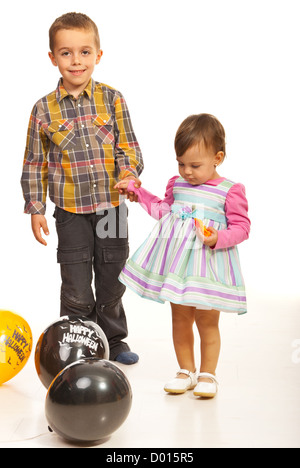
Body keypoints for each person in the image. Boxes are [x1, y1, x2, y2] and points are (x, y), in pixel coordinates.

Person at [21, 12, 144, 365]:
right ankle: (82, 342)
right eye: (66, 53)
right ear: (52, 58)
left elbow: (129, 148)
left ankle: (114, 339)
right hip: (70, 211)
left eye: (85, 52)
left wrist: (128, 175)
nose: (76, 61)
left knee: (112, 273)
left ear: (99, 55)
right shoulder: (43, 109)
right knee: (75, 279)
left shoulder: (113, 99)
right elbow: (34, 162)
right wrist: (36, 208)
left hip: (112, 207)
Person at [115, 114, 250, 396]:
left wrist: (218, 238)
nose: (187, 171)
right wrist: (138, 193)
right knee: (180, 318)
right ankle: (185, 371)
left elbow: (242, 227)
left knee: (207, 321)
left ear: (218, 157)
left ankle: (208, 375)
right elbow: (164, 212)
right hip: (178, 268)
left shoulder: (229, 191)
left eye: (195, 165)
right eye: (181, 163)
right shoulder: (177, 184)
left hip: (207, 269)